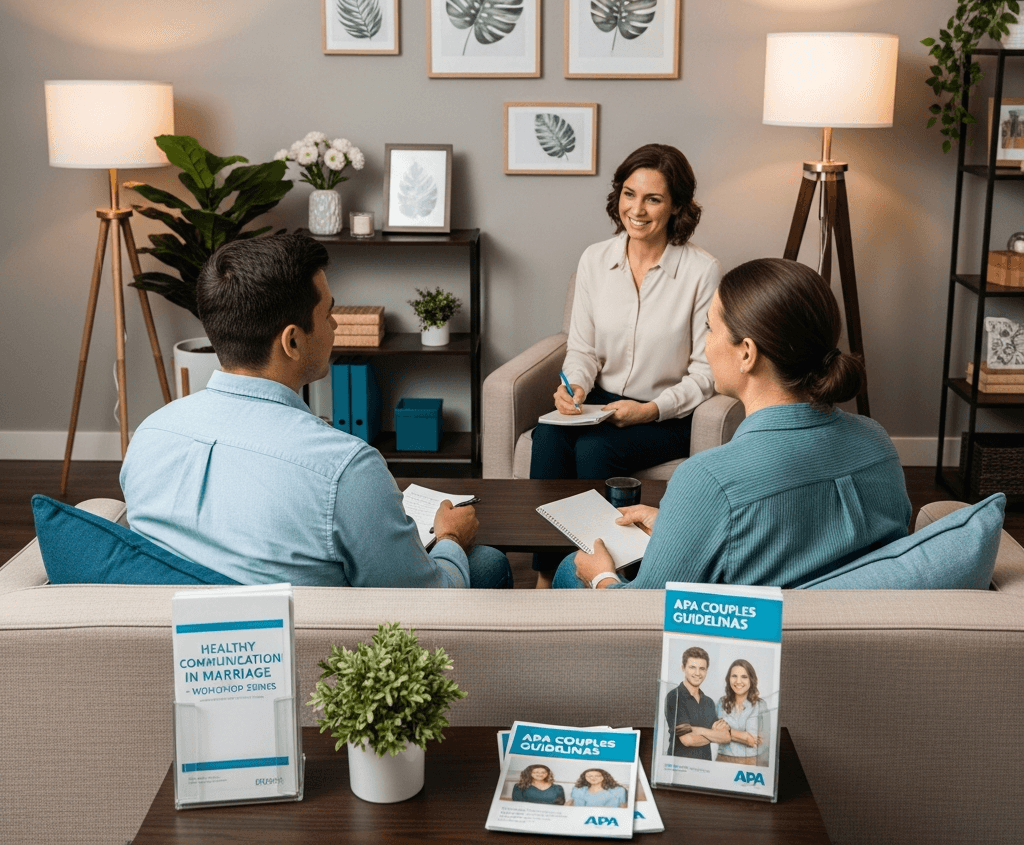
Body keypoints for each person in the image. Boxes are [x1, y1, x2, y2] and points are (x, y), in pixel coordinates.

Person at [122, 232, 512, 589]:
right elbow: (425, 602)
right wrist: (450, 537)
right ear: (292, 342)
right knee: (487, 562)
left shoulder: (150, 434)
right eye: (327, 314)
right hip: (316, 643)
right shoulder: (345, 468)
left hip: (180, 635)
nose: (335, 325)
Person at [555, 257, 912, 590]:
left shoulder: (707, 480)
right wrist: (680, 525)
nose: (706, 344)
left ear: (746, 353)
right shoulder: (876, 441)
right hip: (841, 625)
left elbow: (646, 616)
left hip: (740, 637)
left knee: (572, 567)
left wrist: (601, 577)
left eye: (710, 328)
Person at [530, 143, 720, 480]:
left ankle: (603, 520)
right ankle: (540, 518)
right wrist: (575, 386)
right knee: (547, 436)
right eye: (629, 194)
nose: (637, 209)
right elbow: (583, 350)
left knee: (595, 448)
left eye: (653, 199)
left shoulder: (702, 271)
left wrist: (650, 410)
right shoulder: (594, 259)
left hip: (667, 414)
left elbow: (706, 374)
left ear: (677, 205)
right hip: (602, 403)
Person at [662, 646, 732, 759]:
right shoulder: (674, 697)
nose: (697, 673)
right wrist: (713, 733)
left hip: (705, 766)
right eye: (692, 667)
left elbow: (726, 737)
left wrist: (697, 730)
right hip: (680, 765)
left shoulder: (708, 702)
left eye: (702, 668)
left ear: (706, 671)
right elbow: (688, 740)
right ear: (683, 668)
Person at [713, 660, 770, 767]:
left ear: (751, 680)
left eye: (744, 677)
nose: (738, 681)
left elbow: (764, 741)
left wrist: (728, 732)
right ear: (728, 679)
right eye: (734, 676)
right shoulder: (721, 703)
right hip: (723, 760)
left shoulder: (761, 705)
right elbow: (715, 732)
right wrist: (745, 737)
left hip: (752, 762)